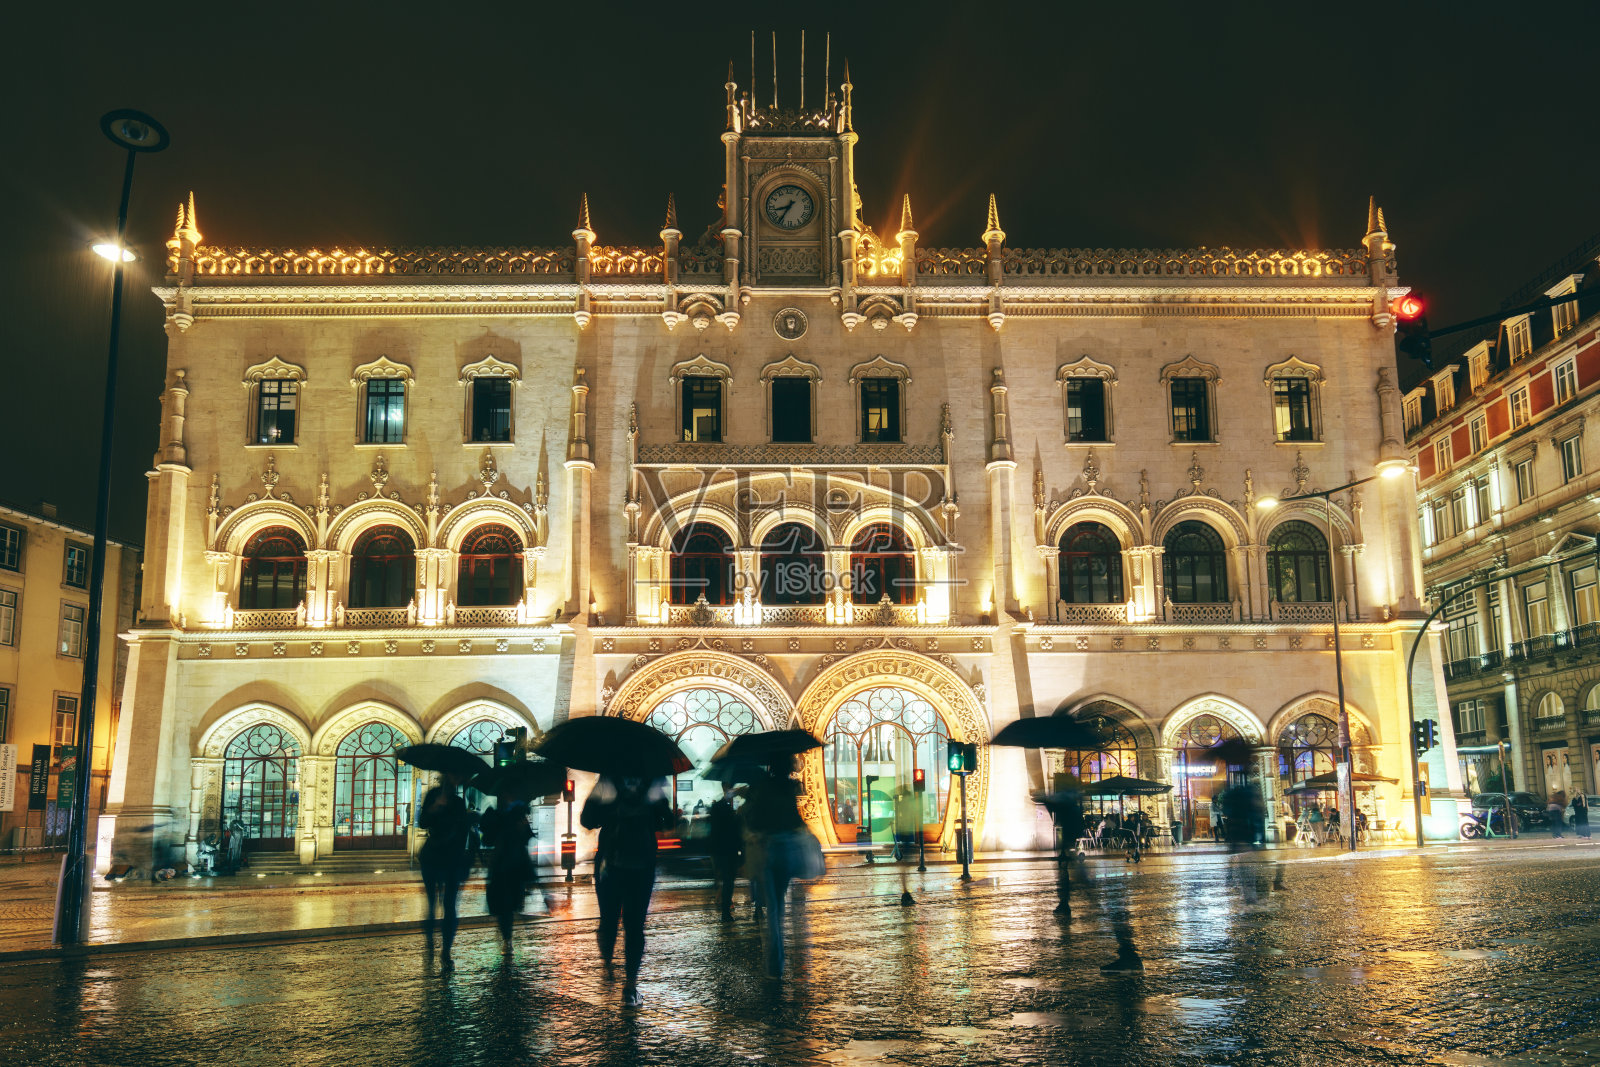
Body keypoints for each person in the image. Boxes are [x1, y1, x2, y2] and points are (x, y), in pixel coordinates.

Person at [581, 775, 673, 1006]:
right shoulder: (651, 781)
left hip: (609, 864)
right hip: (642, 864)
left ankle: (607, 963)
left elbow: (587, 819)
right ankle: (630, 987)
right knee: (635, 925)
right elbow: (668, 821)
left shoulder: (608, 780)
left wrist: (610, 812)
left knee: (609, 919)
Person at [1041, 785, 1140, 970]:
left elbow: (1057, 810)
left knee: (1102, 903)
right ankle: (1127, 952)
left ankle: (1129, 954)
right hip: (1075, 861)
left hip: (1076, 862)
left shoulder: (1068, 810)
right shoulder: (1071, 808)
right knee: (1100, 902)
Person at [742, 757, 807, 978]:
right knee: (778, 905)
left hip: (767, 851)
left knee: (772, 907)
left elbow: (752, 819)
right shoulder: (791, 788)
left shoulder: (763, 789)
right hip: (785, 851)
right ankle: (776, 959)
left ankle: (774, 960)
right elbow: (796, 821)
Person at [417, 773, 474, 974]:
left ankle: (446, 951)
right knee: (432, 903)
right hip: (433, 855)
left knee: (449, 905)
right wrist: (435, 807)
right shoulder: (433, 795)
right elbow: (422, 822)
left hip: (452, 858)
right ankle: (431, 943)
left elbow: (463, 832)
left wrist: (467, 815)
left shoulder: (460, 801)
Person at [480, 797, 536, 960]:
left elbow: (527, 837)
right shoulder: (496, 815)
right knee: (504, 905)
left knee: (510, 905)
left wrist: (523, 826)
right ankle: (507, 937)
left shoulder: (519, 814)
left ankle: (507, 937)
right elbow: (487, 839)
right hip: (501, 866)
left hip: (515, 866)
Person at [706, 783, 744, 920]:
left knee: (725, 880)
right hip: (727, 849)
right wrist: (737, 817)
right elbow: (731, 830)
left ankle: (725, 908)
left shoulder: (718, 807)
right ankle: (725, 911)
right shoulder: (723, 808)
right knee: (728, 881)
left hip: (721, 849)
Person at [892, 785, 920, 905]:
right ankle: (905, 892)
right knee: (905, 865)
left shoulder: (903, 804)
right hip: (907, 834)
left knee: (905, 865)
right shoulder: (909, 804)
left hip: (903, 834)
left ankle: (905, 890)